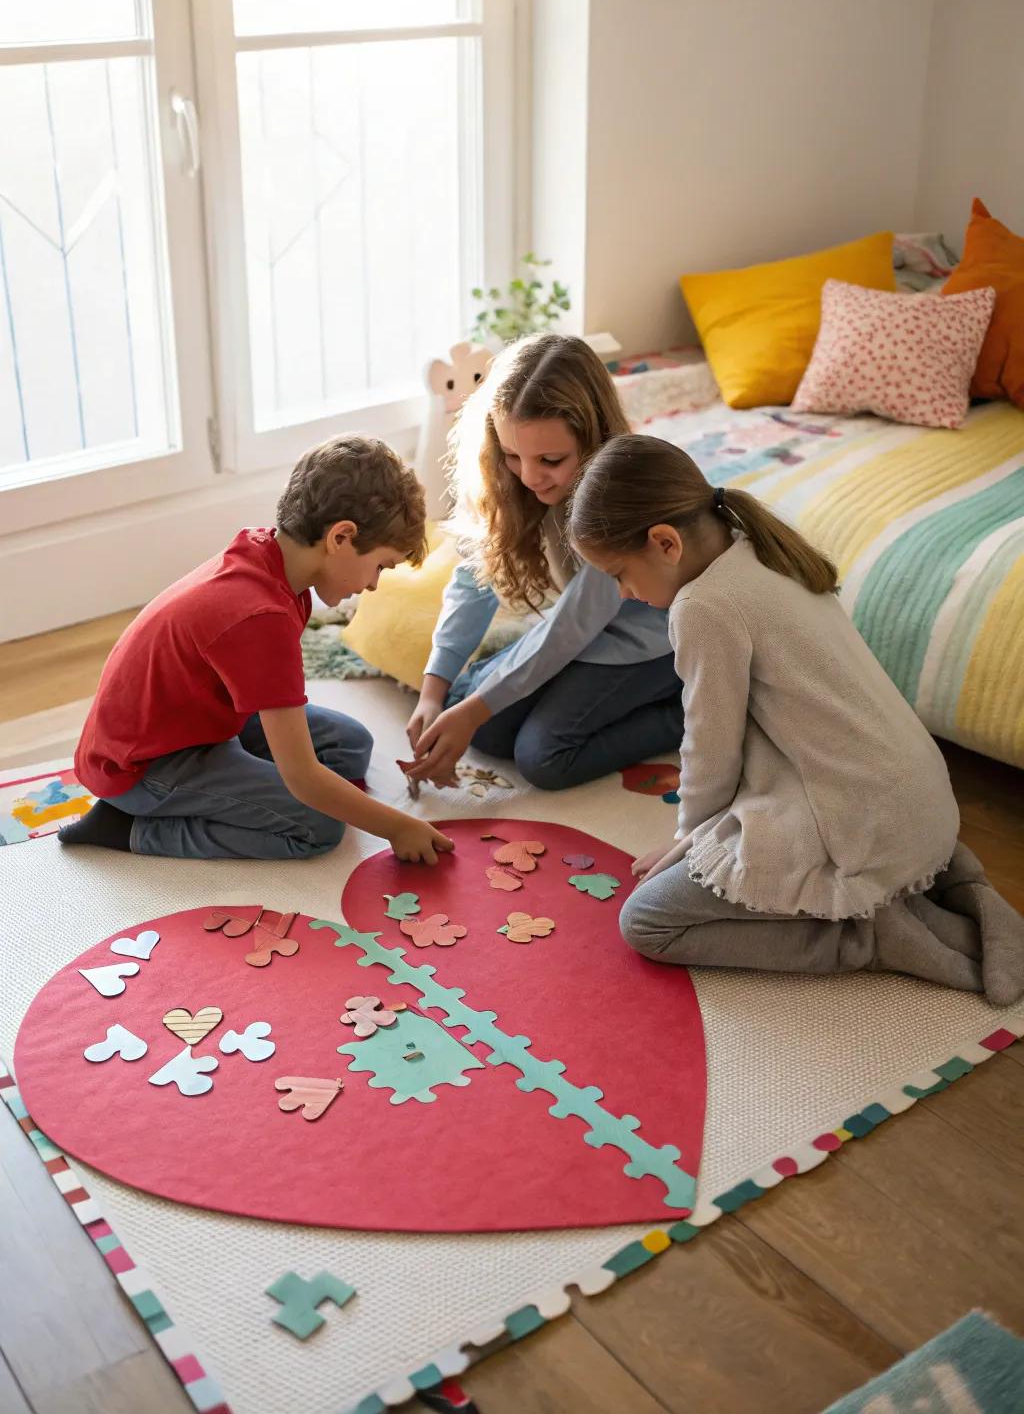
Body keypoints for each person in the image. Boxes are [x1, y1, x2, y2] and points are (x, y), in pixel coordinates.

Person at [566, 433, 1024, 1006]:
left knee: (648, 922)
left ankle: (868, 937)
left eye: (618, 574)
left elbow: (710, 747)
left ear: (665, 543)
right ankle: (952, 884)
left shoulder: (703, 605)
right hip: (927, 805)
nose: (623, 593)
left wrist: (689, 844)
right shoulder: (756, 544)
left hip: (867, 823)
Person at [60, 436, 454, 866]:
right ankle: (129, 827)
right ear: (341, 536)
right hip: (142, 767)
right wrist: (398, 826)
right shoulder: (259, 616)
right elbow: (303, 777)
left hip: (200, 721)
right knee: (319, 827)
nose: (374, 584)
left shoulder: (271, 559)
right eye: (379, 566)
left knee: (351, 745)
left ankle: (237, 785)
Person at [404, 334, 682, 791]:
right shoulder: (512, 482)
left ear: (593, 440)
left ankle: (686, 709)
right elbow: (474, 578)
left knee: (542, 758)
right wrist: (433, 691)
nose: (530, 476)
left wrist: (473, 709)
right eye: (513, 456)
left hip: (648, 644)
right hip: (582, 629)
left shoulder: (613, 496)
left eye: (551, 459)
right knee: (475, 717)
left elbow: (571, 627)